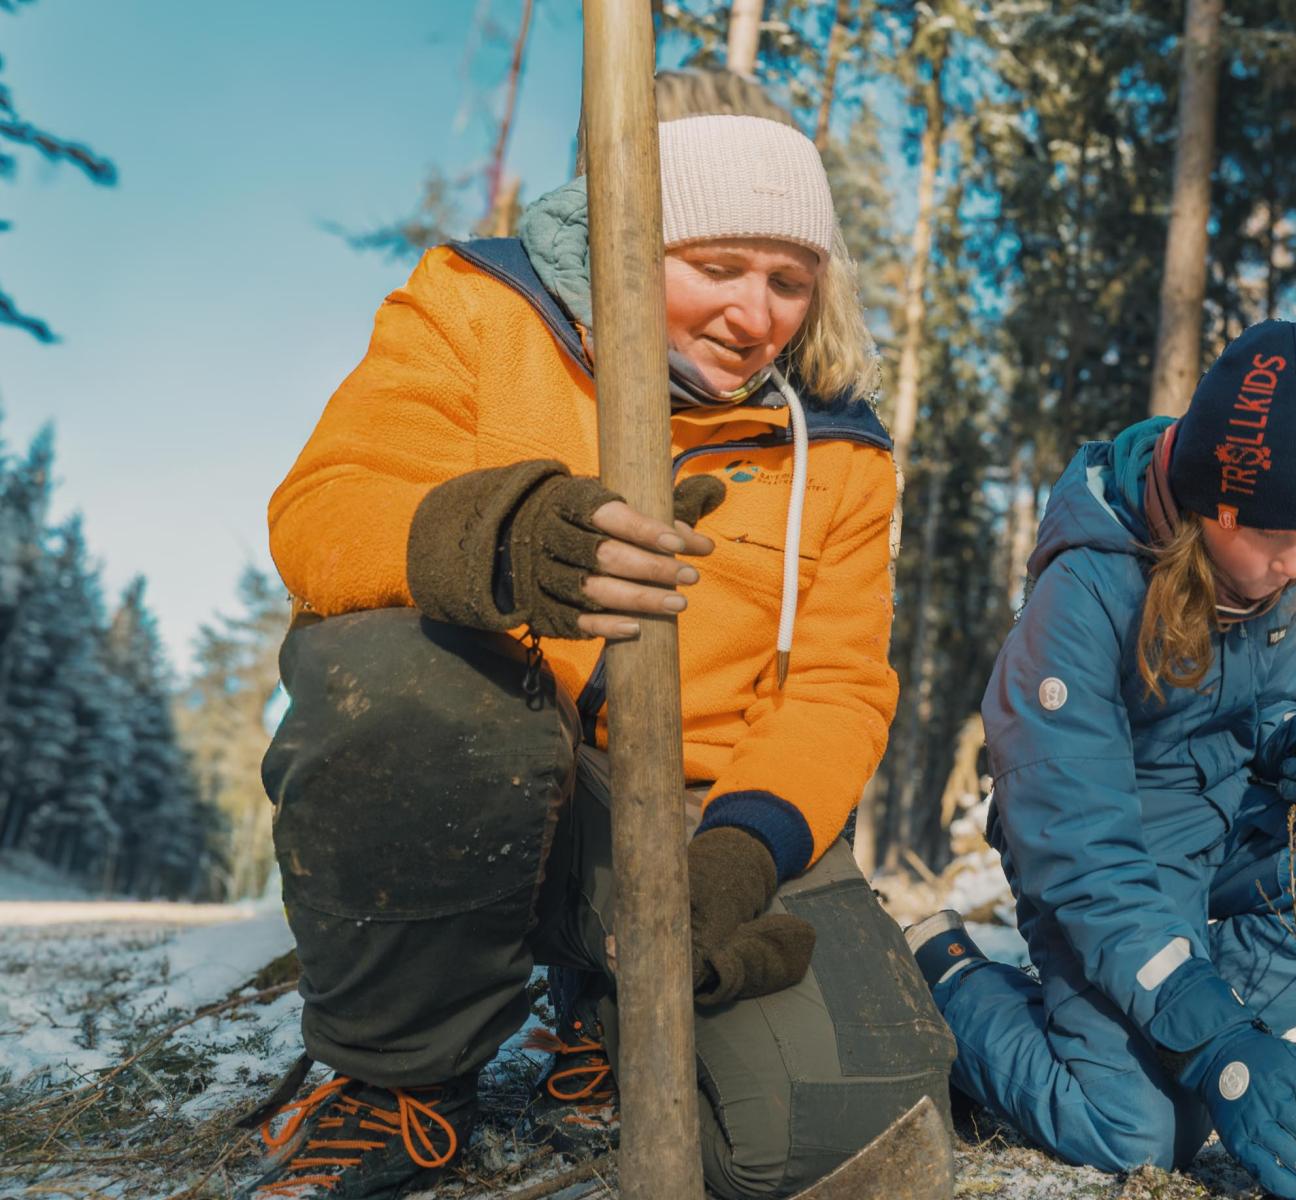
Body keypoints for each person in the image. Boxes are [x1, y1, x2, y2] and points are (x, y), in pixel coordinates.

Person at [245, 73, 954, 1200]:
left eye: (789, 279)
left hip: (691, 814)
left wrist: (744, 852)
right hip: (490, 769)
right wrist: (502, 539)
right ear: (627, 239)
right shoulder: (474, 310)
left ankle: (605, 1004)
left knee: (841, 1136)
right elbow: (323, 512)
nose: (755, 313)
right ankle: (401, 1083)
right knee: (399, 679)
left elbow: (837, 687)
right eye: (716, 268)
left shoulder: (844, 456)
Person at [903, 322, 1296, 1199]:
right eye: (1281, 542)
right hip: (1111, 861)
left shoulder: (1274, 558)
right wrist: (1219, 1048)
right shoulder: (1083, 596)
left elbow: (1272, 692)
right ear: (1215, 509)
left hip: (1228, 825)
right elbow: (1082, 853)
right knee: (1136, 1134)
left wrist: (1290, 736)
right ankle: (948, 978)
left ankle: (1185, 1012)